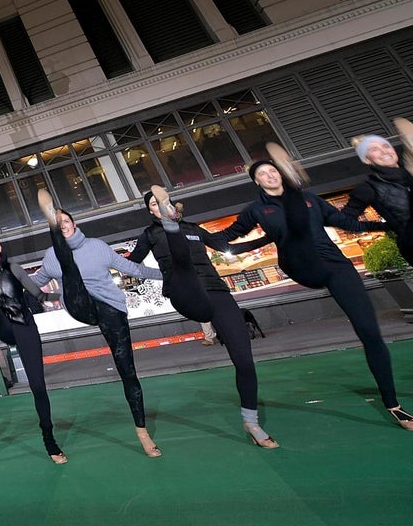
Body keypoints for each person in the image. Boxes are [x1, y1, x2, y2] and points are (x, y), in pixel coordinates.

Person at [207, 146, 412, 430]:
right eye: (263, 174)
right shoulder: (256, 210)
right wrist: (190, 233)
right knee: (298, 229)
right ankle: (289, 229)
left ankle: (394, 404)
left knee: (370, 333)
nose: (269, 175)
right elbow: (223, 240)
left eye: (273, 170)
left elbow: (346, 222)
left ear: (280, 174)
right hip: (300, 264)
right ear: (257, 182)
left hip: (335, 266)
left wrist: (390, 225)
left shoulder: (310, 200)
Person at [125, 186, 278, 449]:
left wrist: (270, 239)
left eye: (163, 202)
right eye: (154, 205)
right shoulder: (150, 234)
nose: (159, 207)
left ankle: (251, 422)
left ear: (171, 203)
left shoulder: (194, 229)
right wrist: (160, 275)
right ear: (150, 211)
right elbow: (131, 264)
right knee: (180, 258)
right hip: (184, 291)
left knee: (244, 360)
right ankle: (174, 248)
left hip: (216, 291)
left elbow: (226, 246)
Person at [29, 191, 166, 458]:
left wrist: (168, 276)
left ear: (74, 224)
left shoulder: (97, 246)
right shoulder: (51, 256)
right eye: (56, 223)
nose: (63, 225)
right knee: (66, 267)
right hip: (80, 306)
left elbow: (133, 269)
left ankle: (142, 431)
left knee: (127, 369)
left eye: (65, 222)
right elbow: (34, 281)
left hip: (110, 308)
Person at [0, 231, 68, 465]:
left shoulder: (15, 268)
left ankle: (50, 441)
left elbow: (37, 293)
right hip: (1, 325)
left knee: (38, 386)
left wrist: (66, 297)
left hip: (24, 326)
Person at [343, 128, 412, 266]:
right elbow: (344, 220)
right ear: (367, 160)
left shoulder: (410, 172)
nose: (384, 151)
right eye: (374, 149)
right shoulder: (368, 188)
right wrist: (387, 226)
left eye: (386, 146)